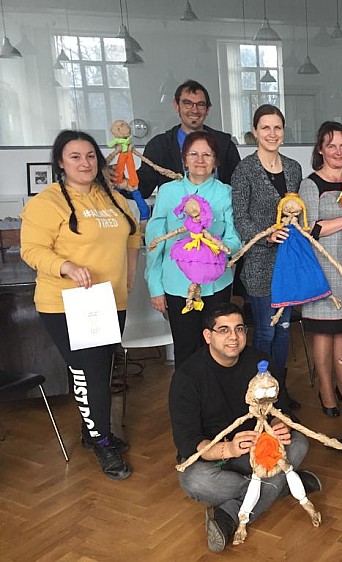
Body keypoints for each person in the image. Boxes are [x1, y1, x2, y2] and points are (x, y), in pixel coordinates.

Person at [20, 130, 140, 480]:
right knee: (89, 372)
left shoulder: (112, 197)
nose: (85, 163)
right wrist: (66, 266)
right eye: (75, 156)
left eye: (90, 156)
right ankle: (102, 442)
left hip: (110, 299)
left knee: (102, 369)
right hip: (67, 303)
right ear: (60, 162)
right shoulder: (48, 202)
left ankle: (93, 431)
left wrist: (129, 277)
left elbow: (133, 233)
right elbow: (31, 249)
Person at [169, 302, 320, 553]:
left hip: (257, 449)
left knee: (298, 443)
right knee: (193, 480)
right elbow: (187, 441)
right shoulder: (187, 377)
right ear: (207, 336)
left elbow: (281, 407)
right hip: (216, 457)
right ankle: (283, 485)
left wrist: (279, 424)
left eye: (239, 329)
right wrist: (228, 448)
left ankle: (229, 515)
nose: (234, 337)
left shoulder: (260, 362)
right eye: (224, 330)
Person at [145, 130, 242, 370]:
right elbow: (155, 240)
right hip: (177, 284)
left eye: (207, 155)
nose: (200, 160)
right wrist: (155, 287)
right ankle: (188, 393)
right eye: (193, 154)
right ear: (184, 159)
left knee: (219, 347)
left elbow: (234, 237)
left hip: (216, 283)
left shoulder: (226, 192)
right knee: (186, 347)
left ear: (215, 161)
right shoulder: (168, 192)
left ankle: (217, 392)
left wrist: (221, 248)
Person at [231, 104, 303, 408]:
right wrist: (266, 235)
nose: (272, 134)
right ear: (255, 132)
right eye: (265, 128)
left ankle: (280, 391)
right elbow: (240, 218)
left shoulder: (294, 168)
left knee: (284, 330)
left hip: (287, 262)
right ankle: (262, 393)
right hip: (260, 263)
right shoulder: (244, 170)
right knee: (265, 330)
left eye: (277, 128)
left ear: (283, 131)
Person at [299, 122, 342, 417]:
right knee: (324, 332)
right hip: (323, 267)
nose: (338, 151)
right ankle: (326, 391)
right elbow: (309, 229)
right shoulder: (310, 184)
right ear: (321, 150)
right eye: (331, 145)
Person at [137, 80, 241, 199]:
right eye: (188, 103)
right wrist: (122, 181)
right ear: (176, 105)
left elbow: (240, 187)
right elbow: (143, 189)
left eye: (200, 104)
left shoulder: (224, 144)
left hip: (218, 210)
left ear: (208, 109)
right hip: (175, 211)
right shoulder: (159, 146)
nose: (194, 110)